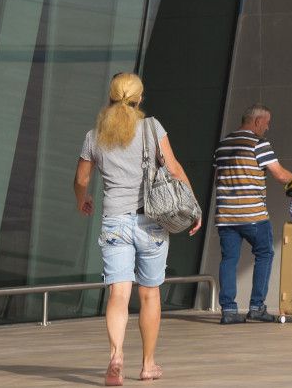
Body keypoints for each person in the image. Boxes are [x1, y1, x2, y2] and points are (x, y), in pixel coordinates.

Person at [75, 72, 201, 386]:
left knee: (118, 293)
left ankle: (116, 354)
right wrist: (193, 206)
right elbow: (174, 168)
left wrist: (83, 200)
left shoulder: (94, 136)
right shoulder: (151, 127)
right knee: (149, 294)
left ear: (111, 95)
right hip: (152, 221)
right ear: (139, 97)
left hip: (115, 220)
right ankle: (147, 364)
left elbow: (81, 180)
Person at [212, 104, 292, 324]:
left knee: (229, 260)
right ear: (257, 121)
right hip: (253, 214)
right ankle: (257, 306)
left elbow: (218, 178)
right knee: (264, 254)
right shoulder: (259, 144)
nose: (267, 128)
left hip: (225, 215)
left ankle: (229, 311)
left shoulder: (223, 144)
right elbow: (279, 174)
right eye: (267, 123)